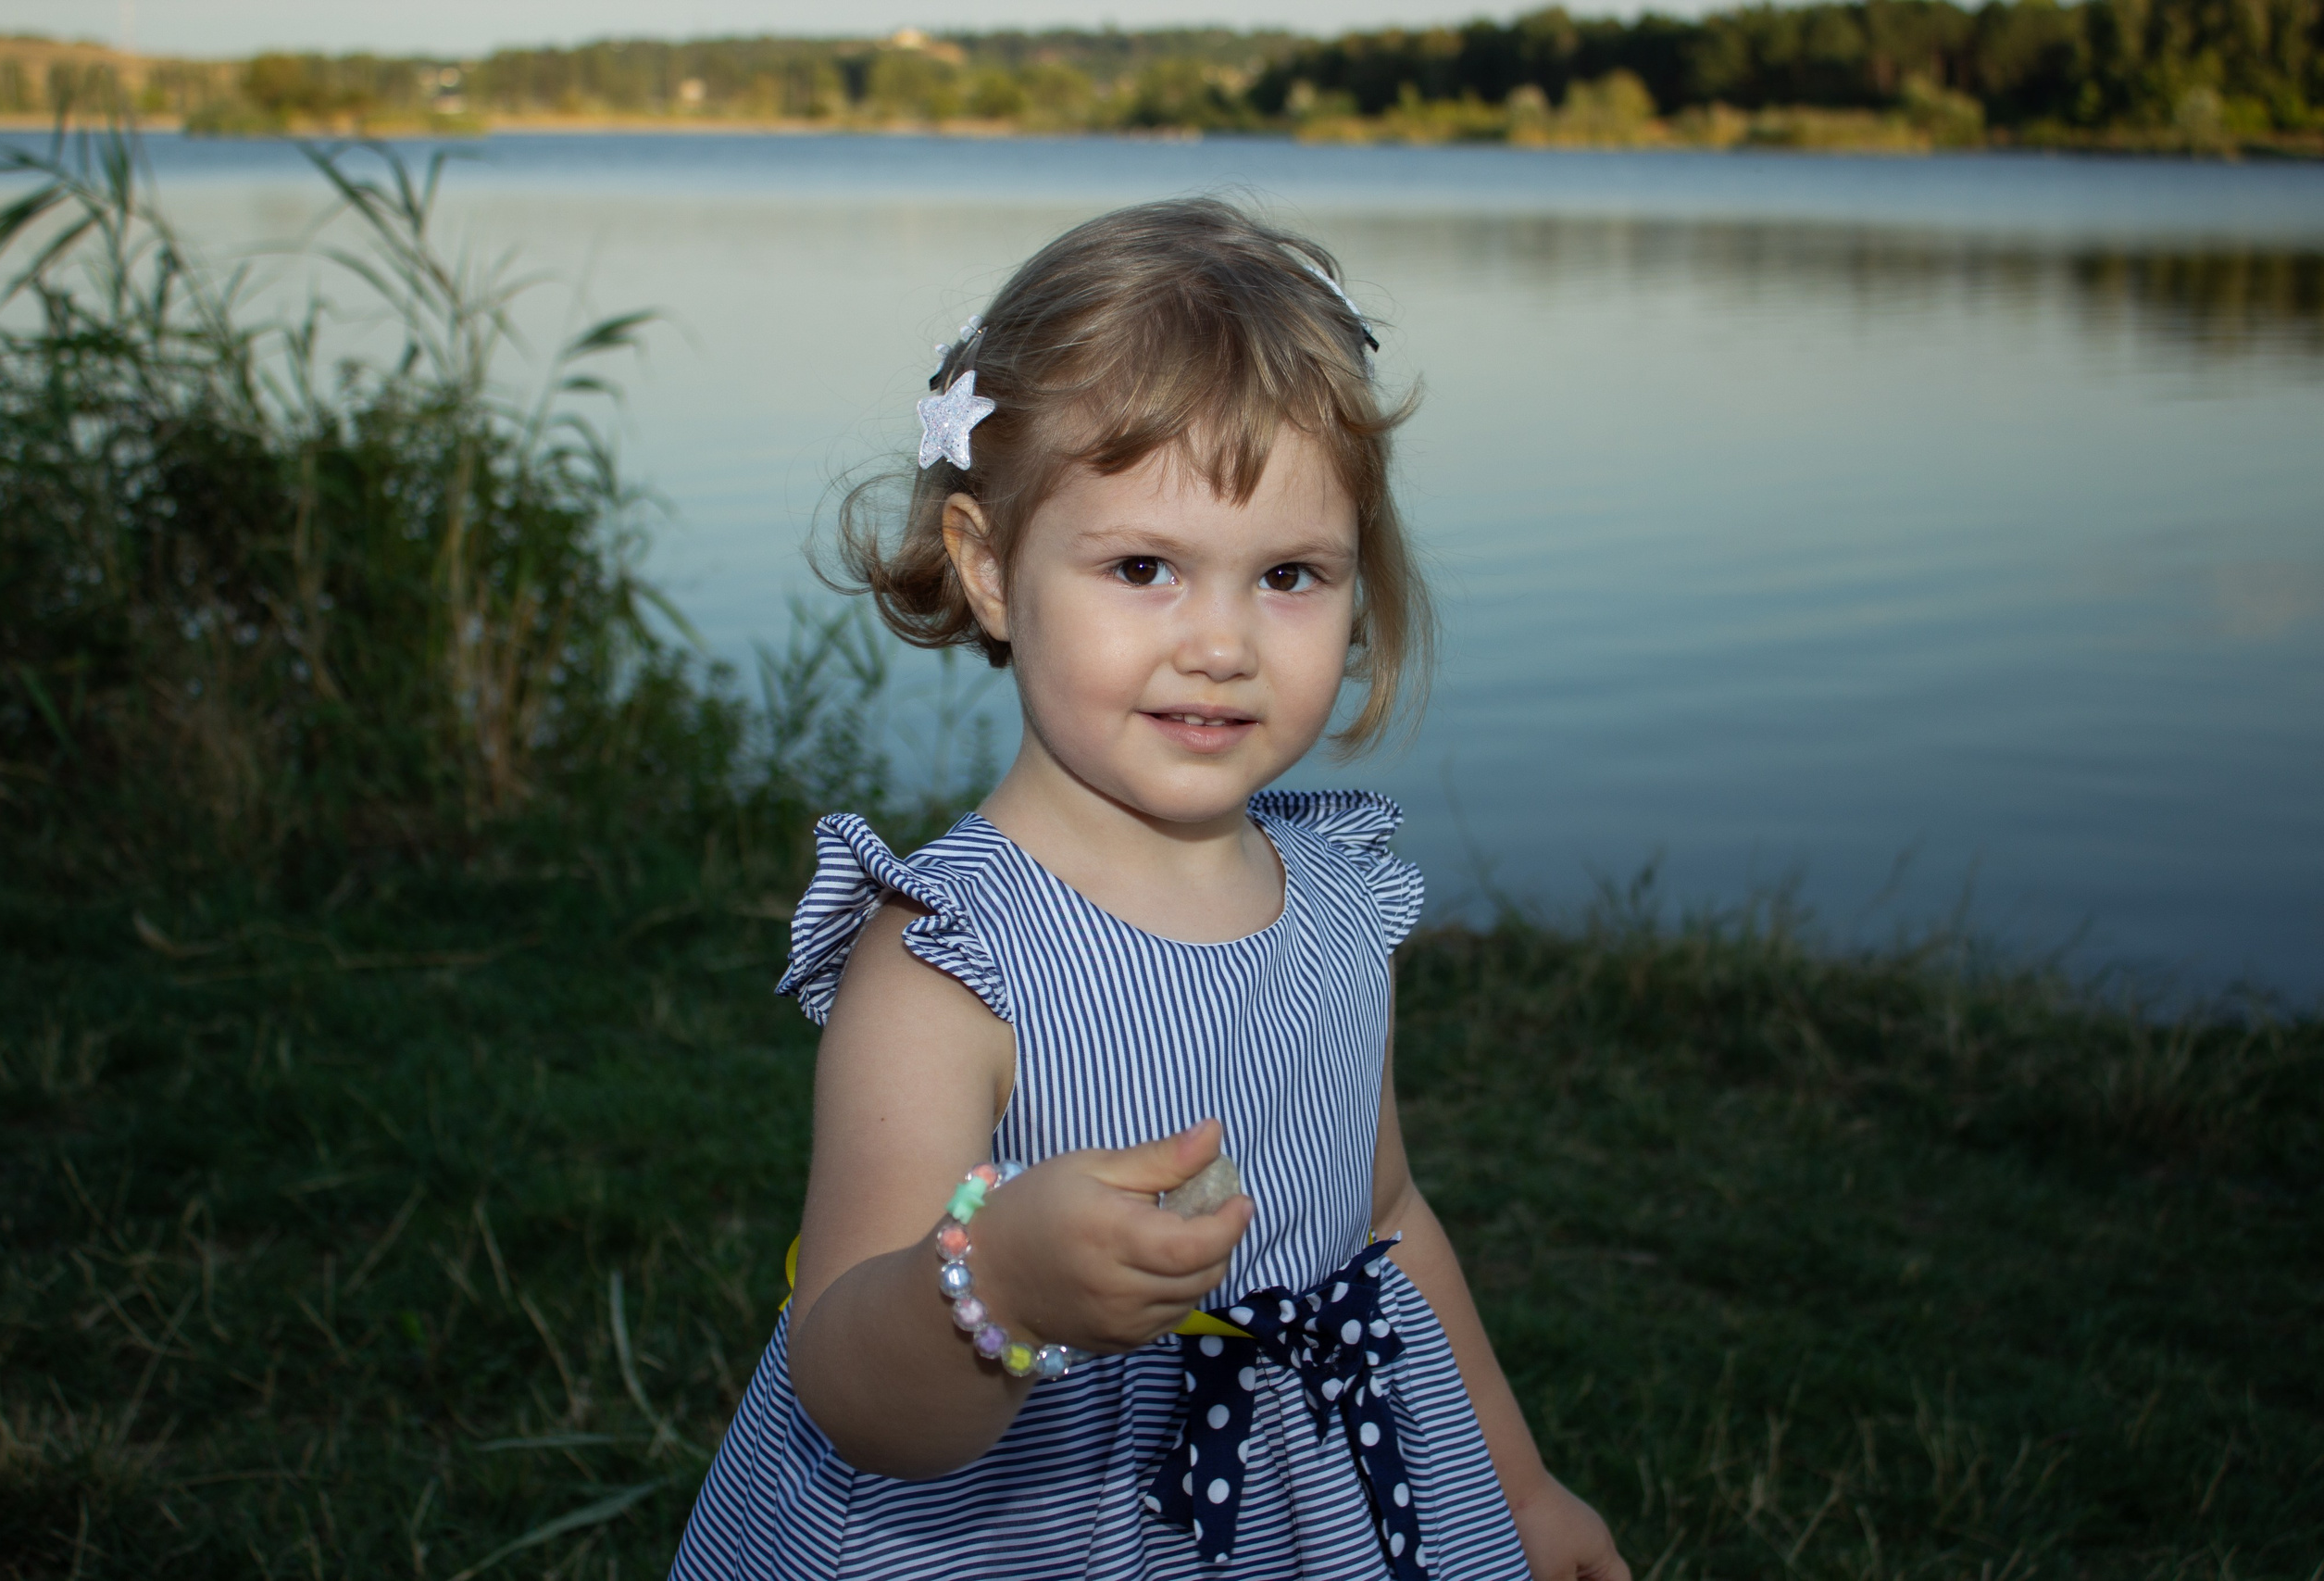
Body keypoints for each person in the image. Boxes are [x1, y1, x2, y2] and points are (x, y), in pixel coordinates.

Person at [669, 198, 1628, 1581]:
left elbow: (1383, 1225)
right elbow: (850, 1386)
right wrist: (998, 1290)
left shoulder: (1338, 900)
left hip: (1306, 1503)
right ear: (989, 568)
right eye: (1142, 568)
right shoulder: (951, 958)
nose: (1222, 644)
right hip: (1025, 1523)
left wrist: (1519, 1488)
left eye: (1289, 575)